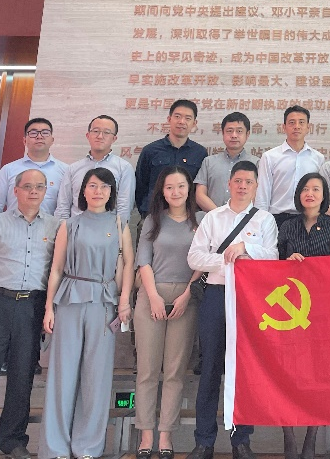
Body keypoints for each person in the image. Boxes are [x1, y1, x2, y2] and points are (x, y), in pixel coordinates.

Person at [0, 169, 59, 459]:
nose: (33, 191)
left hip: (32, 307)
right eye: (27, 186)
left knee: (22, 376)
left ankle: (13, 440)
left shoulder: (55, 227)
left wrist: (49, 311)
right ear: (15, 191)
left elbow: (56, 272)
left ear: (46, 192)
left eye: (39, 187)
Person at [41, 168, 134, 459]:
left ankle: (88, 447)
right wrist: (49, 306)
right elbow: (56, 268)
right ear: (83, 190)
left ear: (112, 192)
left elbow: (128, 266)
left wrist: (124, 301)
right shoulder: (69, 225)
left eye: (104, 186)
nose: (98, 191)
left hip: (104, 302)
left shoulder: (119, 224)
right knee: (62, 374)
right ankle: (55, 447)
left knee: (97, 376)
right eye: (92, 185)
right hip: (70, 299)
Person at [186, 161, 278, 459]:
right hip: (215, 295)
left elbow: (273, 256)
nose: (242, 186)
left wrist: (246, 249)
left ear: (256, 187)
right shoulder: (212, 218)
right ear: (229, 184)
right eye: (238, 181)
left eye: (248, 182)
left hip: (249, 300)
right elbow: (194, 258)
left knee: (244, 370)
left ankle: (242, 441)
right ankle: (204, 441)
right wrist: (228, 260)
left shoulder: (265, 220)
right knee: (210, 369)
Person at [134, 166, 202, 459]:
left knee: (175, 371)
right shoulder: (153, 220)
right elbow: (144, 262)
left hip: (187, 297)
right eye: (170, 187)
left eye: (181, 186)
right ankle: (145, 434)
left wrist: (188, 294)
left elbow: (204, 261)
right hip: (152, 295)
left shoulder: (201, 221)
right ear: (162, 191)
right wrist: (153, 297)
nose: (176, 192)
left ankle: (165, 435)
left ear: (189, 189)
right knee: (148, 370)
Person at [276, 173, 330, 459]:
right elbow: (272, 265)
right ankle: (288, 437)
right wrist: (287, 263)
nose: (310, 193)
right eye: (305, 188)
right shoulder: (287, 226)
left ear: (324, 195)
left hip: (322, 309)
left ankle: (311, 439)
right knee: (288, 372)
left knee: (318, 372)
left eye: (316, 189)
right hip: (290, 310)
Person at [54, 115, 135, 221]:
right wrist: (63, 229)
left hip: (108, 228)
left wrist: (120, 229)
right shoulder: (73, 169)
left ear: (114, 139)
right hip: (75, 228)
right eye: (96, 131)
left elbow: (124, 208)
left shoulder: (124, 168)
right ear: (88, 135)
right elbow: (63, 206)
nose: (100, 136)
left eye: (106, 132)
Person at [255, 105, 325, 227]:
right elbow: (262, 194)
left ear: (308, 127)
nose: (296, 126)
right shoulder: (270, 157)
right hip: (277, 219)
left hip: (308, 219)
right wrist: (260, 223)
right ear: (284, 127)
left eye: (301, 122)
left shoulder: (318, 158)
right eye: (292, 123)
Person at [135, 100, 208, 216]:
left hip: (188, 217)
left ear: (194, 123)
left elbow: (200, 188)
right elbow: (140, 186)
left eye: (188, 118)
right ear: (169, 119)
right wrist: (145, 211)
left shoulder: (200, 153)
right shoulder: (150, 150)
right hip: (154, 215)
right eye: (177, 116)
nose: (182, 122)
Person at [0, 118, 67, 217]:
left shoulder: (65, 171)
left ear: (52, 140)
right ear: (24, 140)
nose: (39, 136)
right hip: (13, 226)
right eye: (33, 133)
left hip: (51, 227)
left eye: (45, 133)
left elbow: (66, 209)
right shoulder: (8, 170)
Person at [195, 112, 257, 211]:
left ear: (247, 134)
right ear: (223, 133)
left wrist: (238, 215)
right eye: (229, 131)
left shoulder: (257, 163)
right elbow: (200, 194)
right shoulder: (209, 162)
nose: (234, 135)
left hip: (244, 218)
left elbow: (258, 195)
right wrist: (219, 215)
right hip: (212, 218)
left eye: (239, 131)